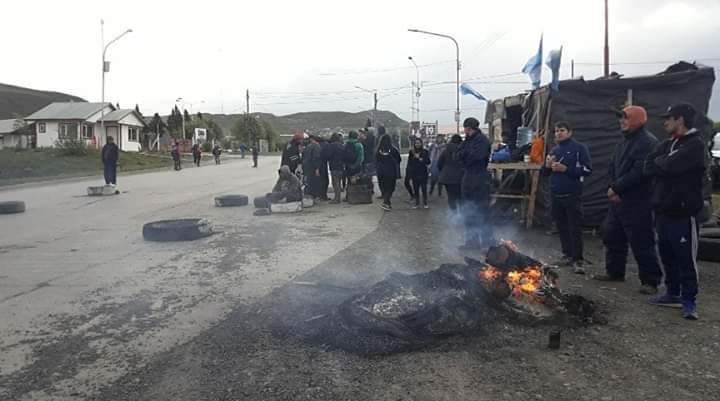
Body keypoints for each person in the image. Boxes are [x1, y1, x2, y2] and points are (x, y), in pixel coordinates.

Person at [645, 103, 706, 320]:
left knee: (685, 258)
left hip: (682, 213)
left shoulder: (695, 145)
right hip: (663, 209)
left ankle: (689, 300)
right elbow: (649, 164)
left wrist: (664, 165)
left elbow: (670, 166)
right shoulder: (669, 144)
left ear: (680, 120)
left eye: (669, 118)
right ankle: (672, 293)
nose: (665, 122)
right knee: (667, 255)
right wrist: (664, 164)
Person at [593, 106, 663, 293]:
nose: (621, 122)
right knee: (612, 236)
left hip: (639, 201)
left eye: (625, 118)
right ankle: (615, 272)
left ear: (638, 120)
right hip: (619, 201)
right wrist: (613, 188)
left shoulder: (647, 143)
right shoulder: (623, 143)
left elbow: (640, 172)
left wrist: (616, 188)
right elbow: (612, 168)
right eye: (621, 118)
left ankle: (650, 281)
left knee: (642, 241)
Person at [541, 121, 592, 273]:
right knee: (561, 226)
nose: (558, 133)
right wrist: (547, 166)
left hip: (572, 194)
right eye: (556, 131)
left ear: (570, 132)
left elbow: (588, 169)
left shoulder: (579, 148)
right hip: (556, 194)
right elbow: (545, 174)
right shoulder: (554, 150)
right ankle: (567, 254)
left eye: (562, 130)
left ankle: (578, 259)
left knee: (574, 227)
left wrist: (567, 169)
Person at [456, 118, 494, 250]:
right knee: (469, 211)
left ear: (468, 128)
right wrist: (465, 155)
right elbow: (458, 155)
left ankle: (487, 242)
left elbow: (475, 158)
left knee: (482, 211)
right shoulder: (467, 140)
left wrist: (465, 156)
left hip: (480, 180)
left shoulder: (482, 141)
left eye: (465, 128)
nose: (464, 131)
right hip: (468, 179)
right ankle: (472, 242)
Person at [437, 134, 464, 212]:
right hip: (459, 176)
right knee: (459, 195)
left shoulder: (445, 150)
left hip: (446, 177)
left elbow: (439, 163)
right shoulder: (462, 150)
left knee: (451, 196)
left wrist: (443, 171)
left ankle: (453, 213)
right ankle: (461, 214)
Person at [375, 134, 402, 211]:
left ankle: (387, 203)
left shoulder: (378, 150)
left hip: (381, 172)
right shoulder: (393, 149)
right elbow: (399, 160)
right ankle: (386, 202)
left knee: (383, 187)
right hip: (391, 172)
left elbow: (375, 160)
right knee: (390, 188)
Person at [407, 138, 430, 209]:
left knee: (424, 189)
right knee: (416, 189)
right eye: (416, 143)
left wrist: (421, 159)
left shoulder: (425, 151)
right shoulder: (411, 152)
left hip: (423, 172)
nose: (417, 144)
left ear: (421, 143)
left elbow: (428, 161)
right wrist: (409, 173)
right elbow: (409, 163)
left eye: (419, 143)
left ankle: (425, 202)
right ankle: (417, 203)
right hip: (414, 173)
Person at [326, 133, 346, 204]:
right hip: (341, 166)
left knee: (336, 183)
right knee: (339, 182)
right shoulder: (342, 145)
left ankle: (337, 199)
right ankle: (338, 197)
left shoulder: (331, 146)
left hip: (334, 166)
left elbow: (328, 156)